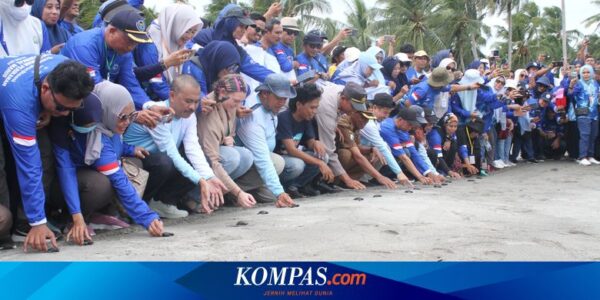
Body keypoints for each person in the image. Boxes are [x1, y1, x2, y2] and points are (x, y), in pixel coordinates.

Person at [0, 54, 94, 252]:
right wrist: (38, 223)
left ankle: (25, 223)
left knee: (45, 153)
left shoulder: (68, 68)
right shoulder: (21, 103)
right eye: (61, 108)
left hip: (17, 97)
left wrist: (51, 111)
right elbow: (29, 166)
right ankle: (8, 229)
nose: (65, 114)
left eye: (72, 109)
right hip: (12, 99)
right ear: (45, 89)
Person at [51, 82, 164, 245]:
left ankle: (96, 215)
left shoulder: (108, 125)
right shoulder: (96, 137)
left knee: (135, 163)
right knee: (102, 184)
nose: (127, 122)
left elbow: (115, 144)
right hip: (63, 187)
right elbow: (118, 179)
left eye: (132, 116)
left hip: (87, 174)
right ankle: (71, 221)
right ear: (106, 111)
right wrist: (148, 218)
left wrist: (130, 149)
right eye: (122, 117)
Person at [124, 75, 227, 217]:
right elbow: (171, 153)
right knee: (165, 162)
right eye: (188, 101)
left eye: (196, 102)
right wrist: (200, 180)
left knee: (201, 162)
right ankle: (139, 207)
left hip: (155, 159)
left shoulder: (190, 116)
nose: (192, 107)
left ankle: (162, 203)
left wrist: (209, 177)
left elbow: (193, 149)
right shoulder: (159, 112)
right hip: (132, 160)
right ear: (172, 96)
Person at [61, 7, 170, 127]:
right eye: (129, 41)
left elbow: (131, 84)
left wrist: (150, 105)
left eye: (136, 43)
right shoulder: (84, 45)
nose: (131, 48)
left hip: (101, 106)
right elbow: (94, 87)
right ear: (112, 31)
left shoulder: (124, 52)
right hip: (68, 106)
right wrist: (131, 114)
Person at [196, 74, 259, 209]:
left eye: (241, 101)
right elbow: (212, 161)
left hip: (214, 152)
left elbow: (230, 132)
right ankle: (196, 196)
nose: (239, 106)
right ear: (223, 92)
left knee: (246, 155)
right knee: (232, 157)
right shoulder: (209, 112)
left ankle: (219, 193)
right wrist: (238, 192)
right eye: (236, 101)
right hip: (201, 159)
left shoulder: (227, 103)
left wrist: (228, 137)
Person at [236, 73, 297, 208]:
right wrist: (279, 192)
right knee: (278, 163)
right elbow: (262, 158)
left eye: (285, 98)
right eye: (278, 98)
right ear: (264, 94)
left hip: (258, 164)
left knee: (293, 166)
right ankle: (231, 191)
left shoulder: (270, 107)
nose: (282, 103)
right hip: (249, 162)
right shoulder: (253, 116)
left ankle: (251, 189)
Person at [133, 3, 202, 100]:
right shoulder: (151, 44)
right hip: (149, 100)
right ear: (174, 25)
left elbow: (186, 76)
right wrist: (181, 101)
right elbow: (157, 83)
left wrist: (199, 99)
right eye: (187, 30)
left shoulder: (180, 44)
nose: (190, 36)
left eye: (193, 32)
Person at [276, 83, 332, 197]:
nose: (314, 111)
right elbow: (291, 150)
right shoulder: (284, 117)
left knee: (322, 156)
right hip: (280, 159)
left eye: (316, 107)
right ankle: (283, 187)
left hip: (292, 157)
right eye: (312, 107)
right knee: (298, 165)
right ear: (299, 104)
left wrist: (316, 143)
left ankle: (296, 186)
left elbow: (310, 142)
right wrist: (319, 163)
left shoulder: (306, 118)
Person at [314, 82, 369, 190]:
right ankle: (318, 182)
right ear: (343, 98)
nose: (354, 111)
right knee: (325, 155)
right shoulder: (327, 108)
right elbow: (329, 151)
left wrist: (334, 125)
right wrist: (347, 180)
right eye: (353, 106)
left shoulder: (341, 90)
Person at [359, 93, 412, 186]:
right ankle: (359, 178)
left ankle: (365, 178)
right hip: (356, 151)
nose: (387, 116)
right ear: (374, 107)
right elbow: (382, 147)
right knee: (384, 148)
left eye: (389, 113)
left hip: (364, 151)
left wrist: (374, 148)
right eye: (385, 112)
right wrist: (399, 173)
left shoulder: (377, 122)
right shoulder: (369, 124)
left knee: (382, 148)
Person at [379, 106, 436, 184]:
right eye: (409, 124)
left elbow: (414, 153)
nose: (411, 127)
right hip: (376, 154)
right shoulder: (388, 128)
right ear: (400, 120)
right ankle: (382, 177)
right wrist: (420, 177)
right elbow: (403, 157)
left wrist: (428, 173)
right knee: (405, 152)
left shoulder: (402, 129)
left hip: (387, 155)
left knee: (409, 150)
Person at [569, 65, 600, 166]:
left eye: (588, 72)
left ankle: (590, 156)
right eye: (584, 72)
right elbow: (570, 95)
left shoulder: (595, 83)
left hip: (594, 113)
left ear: (591, 73)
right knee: (585, 135)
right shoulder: (578, 83)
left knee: (593, 135)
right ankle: (582, 157)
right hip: (583, 113)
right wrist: (571, 86)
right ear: (581, 74)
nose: (586, 74)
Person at [427, 113, 470, 178]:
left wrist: (468, 164)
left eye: (455, 126)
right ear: (445, 125)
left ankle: (446, 168)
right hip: (432, 158)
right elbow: (438, 156)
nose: (453, 129)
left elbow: (462, 147)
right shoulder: (435, 135)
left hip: (442, 158)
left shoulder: (451, 133)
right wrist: (449, 171)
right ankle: (440, 170)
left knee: (454, 144)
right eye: (450, 126)